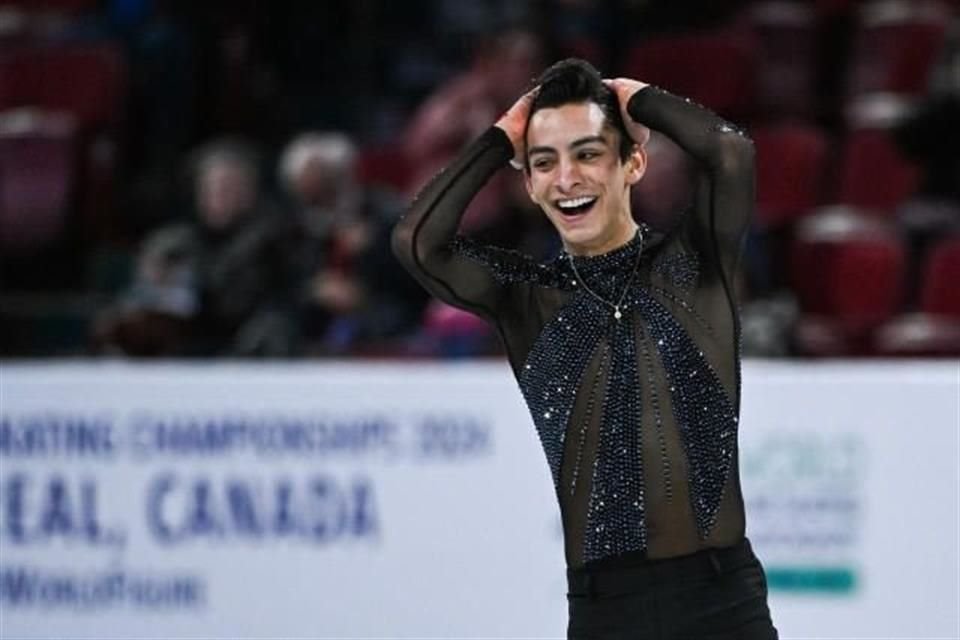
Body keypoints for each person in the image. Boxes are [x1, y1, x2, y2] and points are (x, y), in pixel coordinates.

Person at [393, 59, 777, 638]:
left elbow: (731, 154)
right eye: (545, 163)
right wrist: (505, 135)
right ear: (529, 185)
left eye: (589, 153)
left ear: (633, 163)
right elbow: (419, 243)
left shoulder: (692, 265)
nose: (566, 177)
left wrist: (635, 97)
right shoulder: (528, 301)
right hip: (606, 613)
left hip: (722, 604)